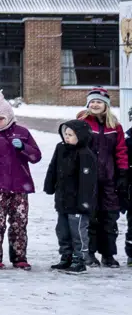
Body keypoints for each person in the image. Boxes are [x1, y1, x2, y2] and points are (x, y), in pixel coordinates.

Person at [0, 91, 42, 270]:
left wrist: (24, 148)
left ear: (9, 117)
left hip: (20, 186)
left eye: (0, 118)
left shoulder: (23, 133)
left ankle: (19, 256)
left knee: (19, 223)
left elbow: (36, 156)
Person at [77, 88, 126, 267]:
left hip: (109, 178)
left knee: (109, 217)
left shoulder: (115, 127)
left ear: (105, 105)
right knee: (90, 216)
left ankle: (108, 254)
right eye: (92, 102)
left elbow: (121, 151)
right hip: (87, 179)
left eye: (99, 102)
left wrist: (122, 172)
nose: (95, 104)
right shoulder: (82, 123)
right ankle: (88, 253)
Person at [44, 120, 97, 274]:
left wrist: (85, 202)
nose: (66, 137)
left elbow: (88, 181)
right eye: (65, 134)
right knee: (62, 230)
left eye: (71, 135)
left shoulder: (85, 154)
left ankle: (79, 259)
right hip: (62, 199)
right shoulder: (61, 148)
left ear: (80, 136)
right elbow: (52, 167)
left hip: (78, 203)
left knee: (78, 232)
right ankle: (66, 256)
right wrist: (49, 185)